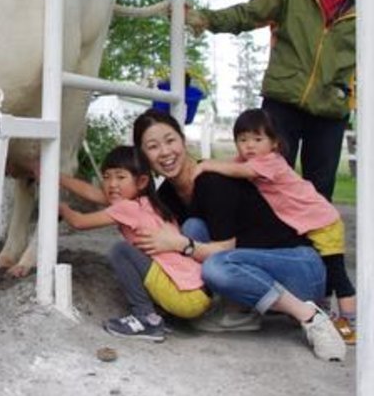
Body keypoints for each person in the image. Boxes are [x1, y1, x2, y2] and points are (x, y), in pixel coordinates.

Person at [131, 108, 346, 361]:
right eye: (153, 146)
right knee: (193, 228)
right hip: (255, 267)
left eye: (170, 140)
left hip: (300, 269)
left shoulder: (212, 180)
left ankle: (310, 316)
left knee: (213, 265)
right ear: (144, 156)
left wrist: (179, 244)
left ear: (183, 140)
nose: (165, 152)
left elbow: (223, 249)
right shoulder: (167, 194)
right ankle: (240, 310)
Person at [186, 0, 356, 201]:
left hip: (331, 107)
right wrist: (205, 18)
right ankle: (267, 241)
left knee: (319, 191)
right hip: (282, 103)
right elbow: (247, 14)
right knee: (267, 180)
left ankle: (313, 246)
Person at [195, 108, 356, 344]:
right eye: (242, 140)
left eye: (258, 139)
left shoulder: (271, 162)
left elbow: (240, 171)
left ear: (274, 143)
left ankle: (351, 322)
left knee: (335, 272)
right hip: (309, 222)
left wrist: (207, 164)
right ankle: (326, 314)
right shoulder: (251, 159)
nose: (249, 146)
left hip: (322, 221)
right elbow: (233, 167)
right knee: (326, 270)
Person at [59, 146, 211, 342]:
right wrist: (54, 176)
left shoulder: (127, 208)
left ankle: (146, 318)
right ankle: (161, 312)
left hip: (183, 297)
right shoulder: (150, 204)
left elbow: (79, 222)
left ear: (141, 181)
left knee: (121, 252)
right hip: (199, 293)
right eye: (106, 177)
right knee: (144, 257)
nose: (112, 184)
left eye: (120, 177)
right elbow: (92, 193)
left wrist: (60, 206)